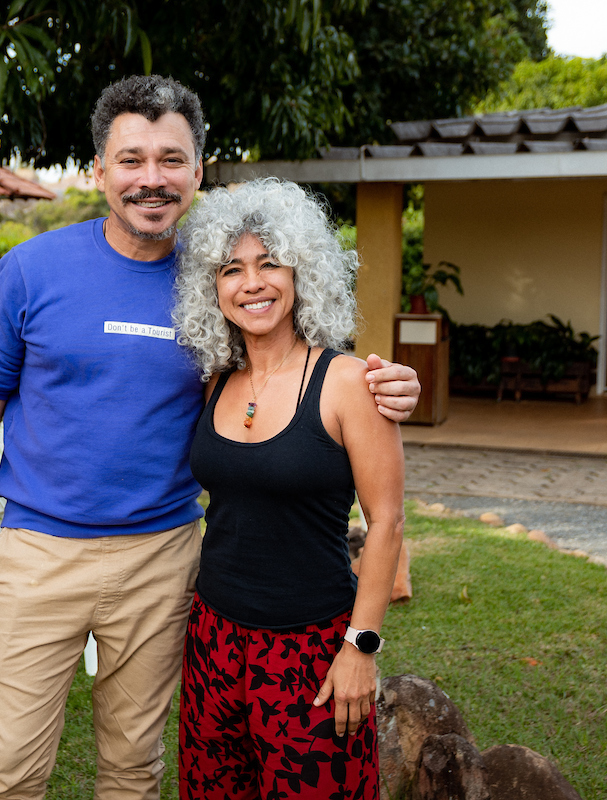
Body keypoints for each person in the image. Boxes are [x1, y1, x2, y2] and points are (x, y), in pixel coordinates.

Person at [0, 75, 421, 800]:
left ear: (197, 170)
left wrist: (389, 384)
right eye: (131, 159)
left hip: (165, 559)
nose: (151, 179)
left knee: (135, 768)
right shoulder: (33, 268)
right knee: (6, 774)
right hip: (39, 553)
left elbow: (298, 362)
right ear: (99, 169)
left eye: (171, 159)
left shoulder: (214, 269)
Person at [173, 178, 404, 800]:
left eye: (269, 262)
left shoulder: (350, 382)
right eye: (231, 268)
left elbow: (386, 523)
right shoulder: (216, 380)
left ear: (302, 271)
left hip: (314, 651)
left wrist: (362, 647)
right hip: (215, 641)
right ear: (212, 287)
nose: (252, 283)